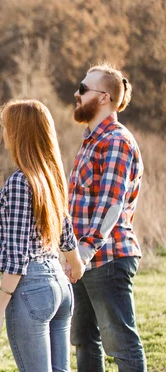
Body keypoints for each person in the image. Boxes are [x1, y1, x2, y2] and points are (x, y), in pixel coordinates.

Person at [0, 99, 85, 372]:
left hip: (32, 290)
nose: (3, 133)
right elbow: (64, 231)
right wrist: (76, 265)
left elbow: (17, 257)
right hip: (60, 288)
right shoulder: (50, 177)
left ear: (19, 134)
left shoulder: (20, 181)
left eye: (6, 127)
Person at [67, 62, 147, 371]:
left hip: (107, 259)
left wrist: (83, 252)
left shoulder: (115, 140)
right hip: (84, 260)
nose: (77, 93)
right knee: (85, 340)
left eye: (83, 88)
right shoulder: (91, 140)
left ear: (103, 98)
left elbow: (111, 205)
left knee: (121, 346)